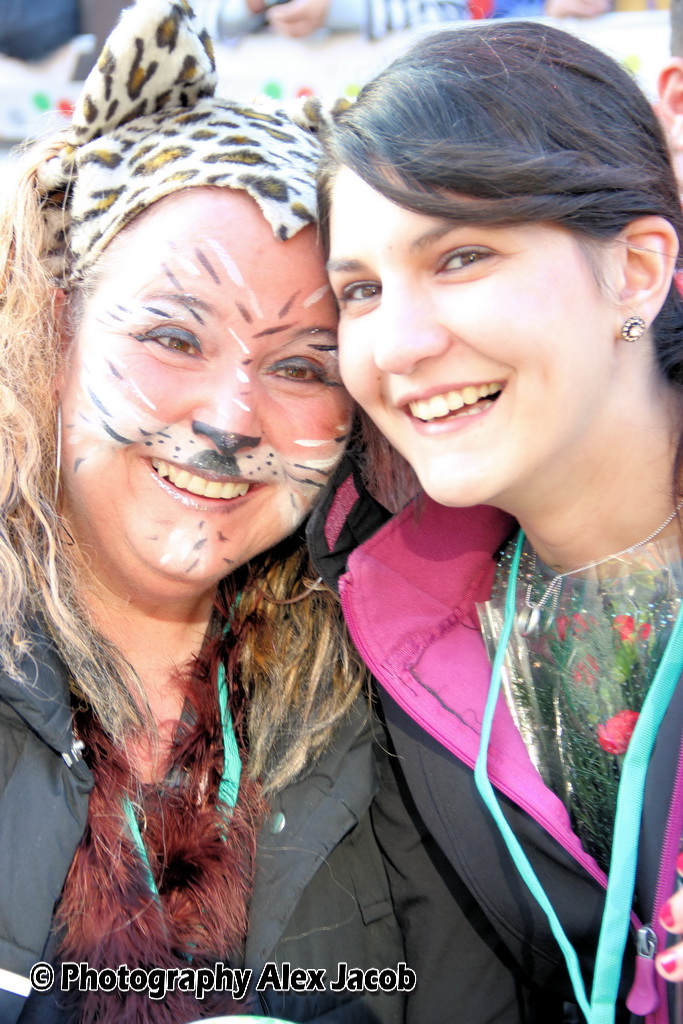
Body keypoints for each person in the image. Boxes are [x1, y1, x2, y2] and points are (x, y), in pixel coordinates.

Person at [0, 2, 406, 1022]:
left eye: (300, 367)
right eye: (174, 338)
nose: (229, 420)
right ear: (55, 330)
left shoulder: (400, 713)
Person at [311, 20, 683, 1023]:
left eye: (461, 255)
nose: (398, 345)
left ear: (635, 269)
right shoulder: (393, 625)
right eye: (360, 290)